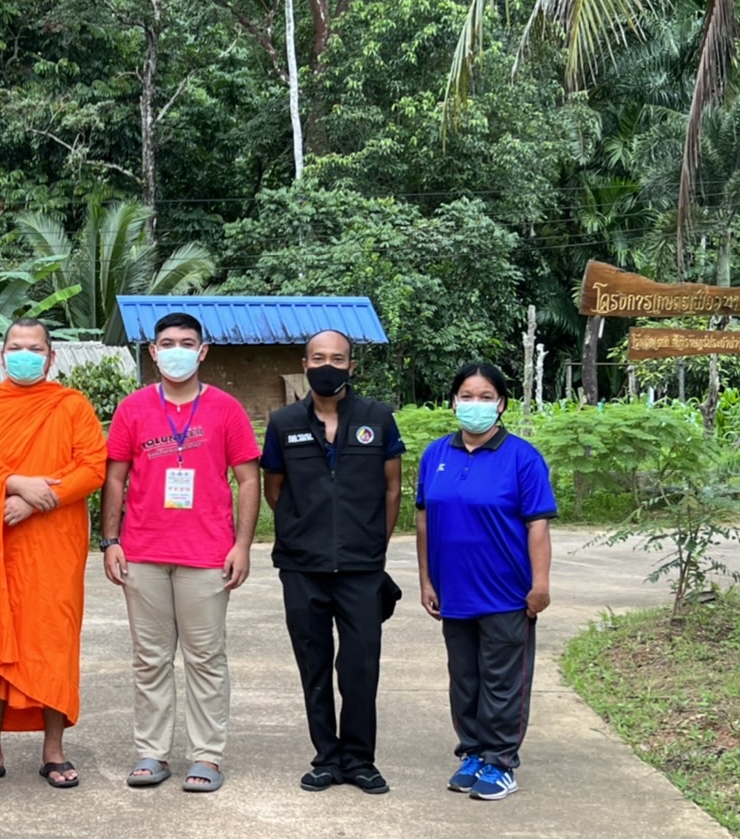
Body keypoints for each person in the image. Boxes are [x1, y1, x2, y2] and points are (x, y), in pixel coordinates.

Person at [101, 312, 261, 793]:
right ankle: (152, 753)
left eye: (186, 343)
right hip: (143, 552)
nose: (177, 351)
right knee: (149, 659)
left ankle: (206, 756)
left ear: (202, 351)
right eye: (167, 343)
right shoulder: (132, 409)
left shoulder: (226, 409)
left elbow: (248, 479)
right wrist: (110, 541)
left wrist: (242, 546)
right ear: (153, 352)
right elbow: (114, 478)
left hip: (207, 554)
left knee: (205, 658)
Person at [0, 318, 106, 788]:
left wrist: (41, 499)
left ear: (51, 357)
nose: (25, 355)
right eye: (16, 347)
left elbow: (92, 467)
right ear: (2, 356)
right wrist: (15, 483)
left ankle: (53, 750)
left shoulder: (71, 405)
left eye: (35, 349)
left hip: (53, 546)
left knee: (53, 640)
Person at [262, 329, 403, 794]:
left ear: (351, 366)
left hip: (362, 568)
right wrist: (303, 530)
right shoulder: (283, 423)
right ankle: (326, 757)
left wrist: (373, 544)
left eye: (338, 359)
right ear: (305, 365)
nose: (328, 366)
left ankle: (360, 760)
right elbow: (275, 489)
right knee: (314, 665)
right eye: (319, 358)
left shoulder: (377, 418)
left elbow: (392, 488)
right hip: (302, 567)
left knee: (361, 667)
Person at [416, 362, 555, 801]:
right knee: (465, 680)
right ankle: (473, 753)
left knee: (502, 682)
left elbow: (537, 526)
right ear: (453, 401)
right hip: (454, 593)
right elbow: (423, 521)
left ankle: (501, 762)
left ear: (501, 404)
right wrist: (426, 580)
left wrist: (540, 584)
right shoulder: (435, 455)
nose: (475, 404)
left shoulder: (522, 458)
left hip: (506, 593)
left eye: (485, 397)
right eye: (467, 396)